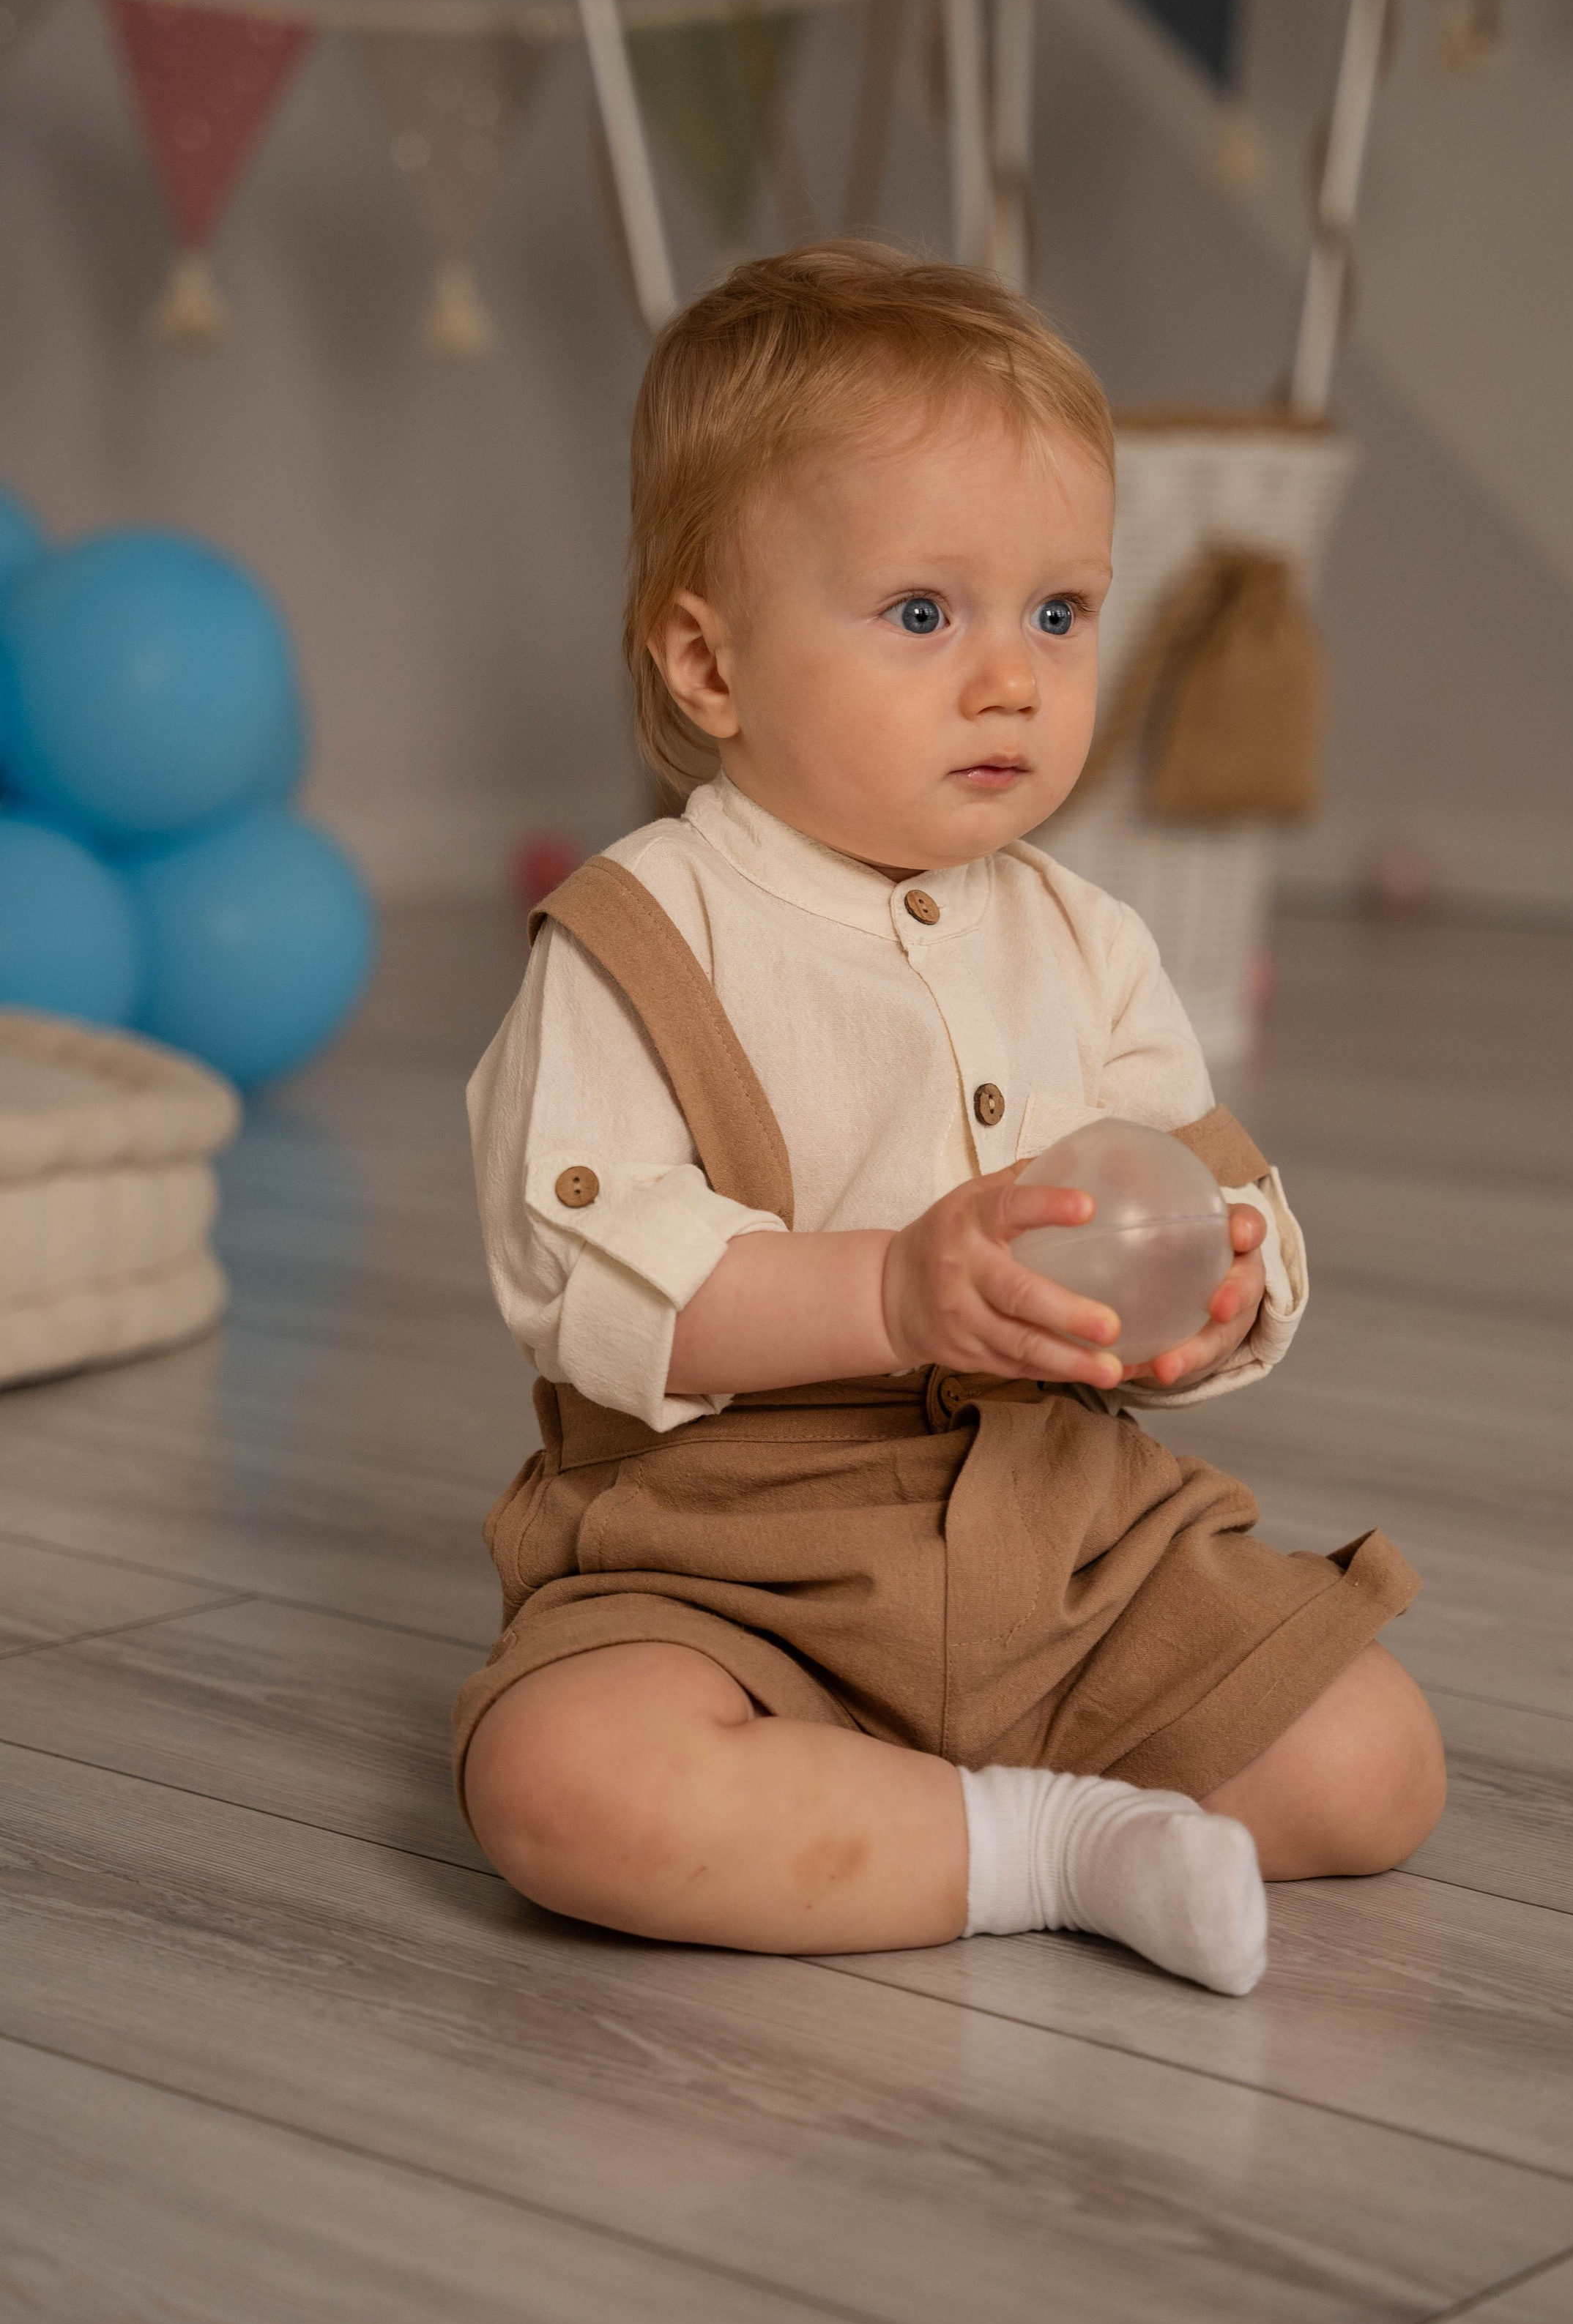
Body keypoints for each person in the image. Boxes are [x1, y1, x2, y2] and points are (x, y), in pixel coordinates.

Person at [455, 242, 1443, 1997]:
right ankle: (1041, 1847)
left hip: (1062, 1530)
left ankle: (918, 1814)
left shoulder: (1089, 940)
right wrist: (890, 1300)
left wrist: (1222, 1293)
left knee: (1373, 1764)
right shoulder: (636, 938)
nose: (1010, 678)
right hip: (734, 1554)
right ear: (708, 659)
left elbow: (1211, 1184)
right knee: (566, 1786)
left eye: (1057, 613)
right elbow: (586, 1277)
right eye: (924, 615)